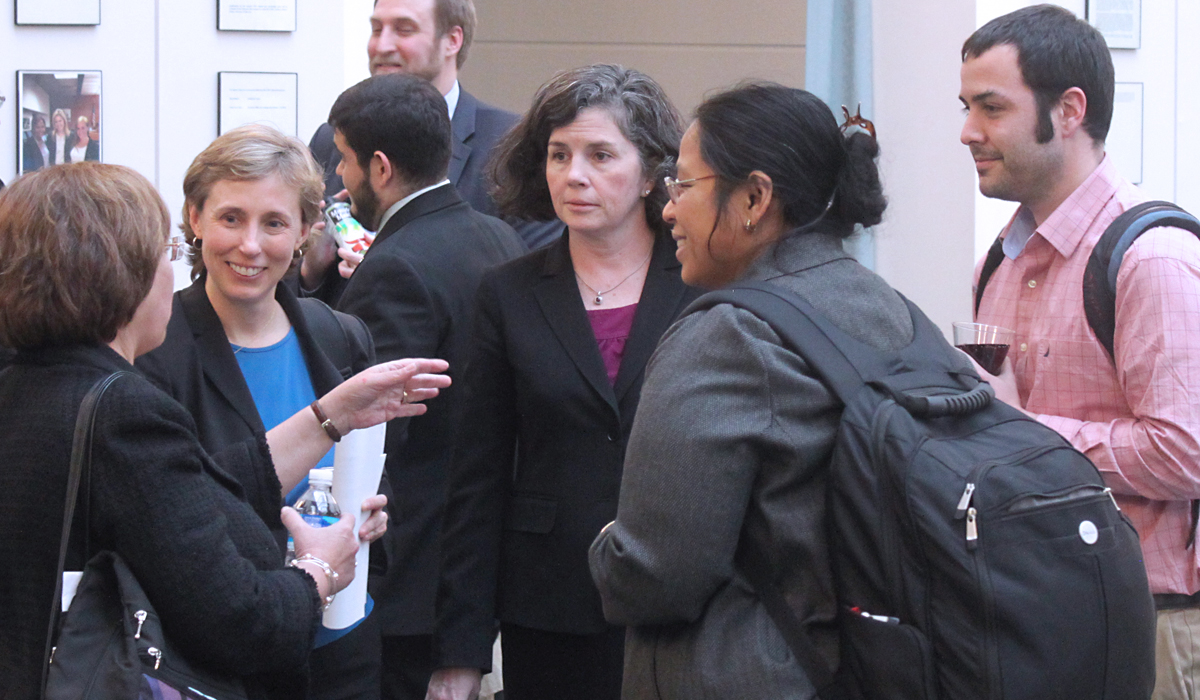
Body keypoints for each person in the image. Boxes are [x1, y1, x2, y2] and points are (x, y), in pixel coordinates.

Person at [0, 162, 450, 700]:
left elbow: (193, 494)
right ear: (123, 278)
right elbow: (243, 621)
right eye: (165, 254)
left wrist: (329, 416)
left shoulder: (25, 386)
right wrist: (317, 570)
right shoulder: (125, 410)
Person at [588, 83, 899, 699]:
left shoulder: (725, 335)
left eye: (683, 185)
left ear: (754, 197)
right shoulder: (892, 310)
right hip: (864, 667)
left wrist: (606, 546)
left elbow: (655, 575)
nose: (668, 209)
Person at [428, 64, 697, 700]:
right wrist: (460, 652)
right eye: (558, 154)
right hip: (549, 602)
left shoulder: (699, 284)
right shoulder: (508, 292)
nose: (573, 175)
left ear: (652, 171)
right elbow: (477, 477)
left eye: (601, 154)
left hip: (683, 598)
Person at [958, 7, 1200, 699]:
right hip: (1037, 618)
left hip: (1154, 633)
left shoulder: (1152, 259)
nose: (968, 131)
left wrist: (1022, 434)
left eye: (992, 107)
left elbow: (1187, 452)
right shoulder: (996, 266)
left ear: (1069, 111)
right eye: (966, 105)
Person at [135, 124, 389, 699]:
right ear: (195, 220)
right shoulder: (156, 347)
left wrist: (375, 511)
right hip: (223, 659)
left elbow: (371, 463)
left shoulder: (340, 334)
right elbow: (178, 505)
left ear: (304, 230)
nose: (250, 245)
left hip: (342, 640)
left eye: (273, 223)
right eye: (230, 218)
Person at [327, 73, 525, 700]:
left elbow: (374, 436)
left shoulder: (395, 269)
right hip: (476, 571)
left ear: (380, 167)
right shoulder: (498, 236)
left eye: (344, 158)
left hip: (410, 584)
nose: (338, 175)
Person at [302, 0, 559, 308]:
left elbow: (533, 280)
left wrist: (389, 267)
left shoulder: (511, 144)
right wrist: (309, 274)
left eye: (403, 29)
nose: (381, 45)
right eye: (376, 29)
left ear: (453, 40)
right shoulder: (330, 140)